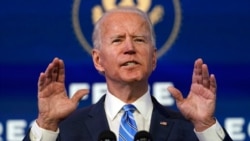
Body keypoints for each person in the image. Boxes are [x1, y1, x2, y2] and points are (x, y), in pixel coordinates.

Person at [23, 7, 232, 141]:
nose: (130, 48)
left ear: (153, 59)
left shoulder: (191, 130)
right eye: (117, 40)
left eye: (139, 39)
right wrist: (47, 124)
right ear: (98, 60)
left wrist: (206, 125)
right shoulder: (65, 130)